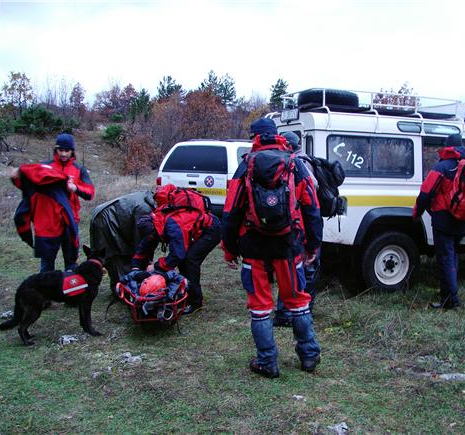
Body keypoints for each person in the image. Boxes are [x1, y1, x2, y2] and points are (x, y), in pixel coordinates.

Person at [222, 118, 323, 378]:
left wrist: (230, 249)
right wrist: (313, 245)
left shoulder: (245, 165)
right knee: (298, 301)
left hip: (254, 247)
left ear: (255, 136)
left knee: (260, 305)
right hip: (288, 246)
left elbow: (231, 212)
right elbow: (312, 209)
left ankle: (268, 361)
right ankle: (309, 356)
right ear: (275, 135)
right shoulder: (295, 164)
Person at [131, 184, 221, 314]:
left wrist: (156, 267)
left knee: (190, 261)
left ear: (154, 230)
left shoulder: (172, 226)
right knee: (184, 261)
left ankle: (196, 302)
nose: (150, 238)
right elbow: (145, 246)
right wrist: (135, 266)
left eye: (151, 235)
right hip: (197, 229)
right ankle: (186, 292)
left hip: (211, 230)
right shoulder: (154, 223)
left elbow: (177, 255)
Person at [12, 133, 95, 272]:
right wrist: (16, 177)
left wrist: (75, 188)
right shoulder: (44, 167)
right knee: (47, 265)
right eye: (60, 150)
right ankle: (46, 292)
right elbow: (27, 186)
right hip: (47, 223)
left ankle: (69, 291)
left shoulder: (79, 169)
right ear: (55, 150)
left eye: (66, 150)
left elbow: (90, 193)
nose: (63, 154)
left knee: (71, 263)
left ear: (72, 151)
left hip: (69, 221)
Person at [412, 134, 465, 309]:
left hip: (443, 220)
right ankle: (447, 297)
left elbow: (426, 192)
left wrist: (417, 212)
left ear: (447, 147)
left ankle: (452, 301)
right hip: (462, 220)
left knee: (445, 258)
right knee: (452, 256)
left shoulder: (442, 167)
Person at [273, 131, 322, 327]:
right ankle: (301, 311)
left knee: (291, 269)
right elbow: (312, 196)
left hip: (289, 224)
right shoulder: (299, 162)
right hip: (299, 225)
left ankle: (287, 312)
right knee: (302, 269)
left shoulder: (296, 163)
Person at [90, 190, 156, 291]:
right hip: (106, 219)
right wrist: (147, 261)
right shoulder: (145, 210)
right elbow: (141, 239)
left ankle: (124, 286)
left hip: (111, 216)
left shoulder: (149, 199)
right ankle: (122, 289)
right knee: (115, 256)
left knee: (124, 256)